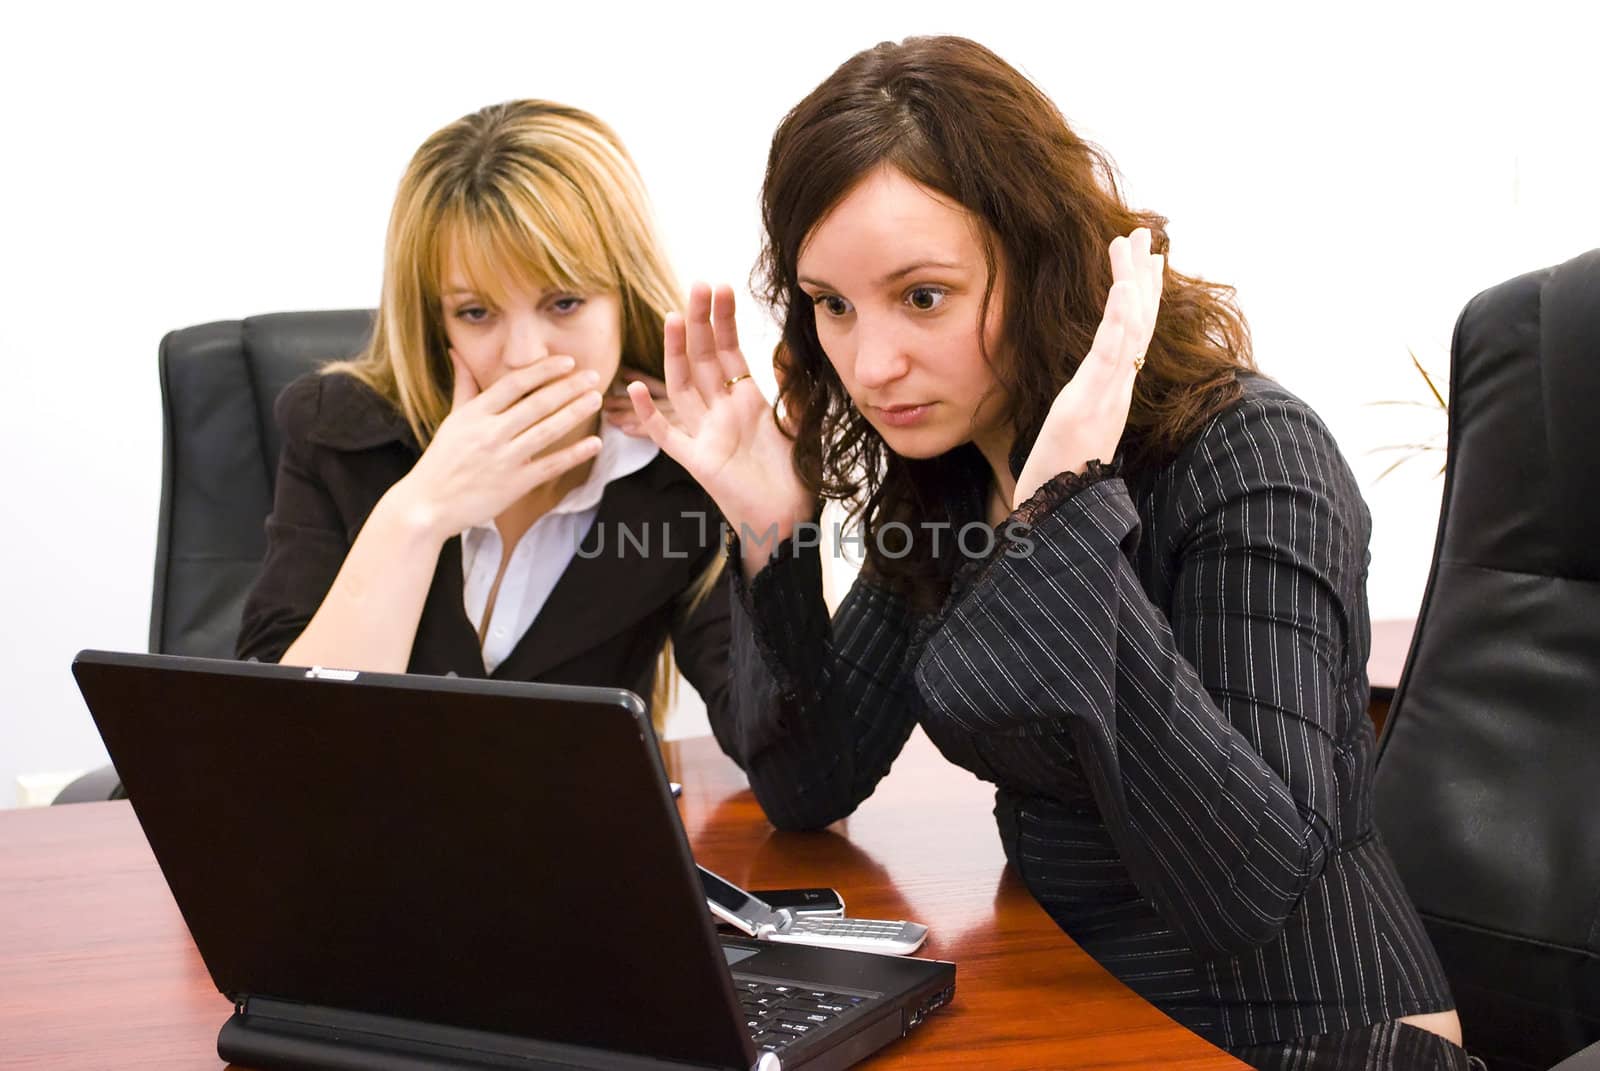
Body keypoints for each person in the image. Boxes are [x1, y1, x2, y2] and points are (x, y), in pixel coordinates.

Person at [626, 36, 1477, 1071]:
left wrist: (1065, 521)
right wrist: (775, 533)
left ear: (1040, 263)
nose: (871, 361)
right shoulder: (949, 471)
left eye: (923, 296)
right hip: (1075, 983)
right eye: (833, 306)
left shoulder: (1251, 454)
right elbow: (811, 785)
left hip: (1300, 1029)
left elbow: (1252, 888)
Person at [237, 100, 730, 734]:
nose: (524, 356)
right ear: (433, 318)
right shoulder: (338, 433)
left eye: (564, 302)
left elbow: (794, 771)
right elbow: (275, 742)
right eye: (476, 313)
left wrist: (783, 520)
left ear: (621, 297)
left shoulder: (678, 474)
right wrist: (419, 513)